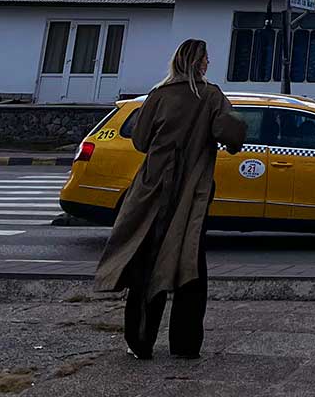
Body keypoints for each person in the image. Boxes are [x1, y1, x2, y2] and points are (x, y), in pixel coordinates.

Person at [95, 38, 246, 360]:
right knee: (189, 263)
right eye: (207, 58)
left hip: (152, 189)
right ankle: (185, 344)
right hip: (192, 189)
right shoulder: (211, 97)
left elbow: (140, 140)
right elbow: (231, 134)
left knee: (147, 262)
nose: (209, 63)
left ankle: (140, 341)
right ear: (200, 62)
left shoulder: (159, 96)